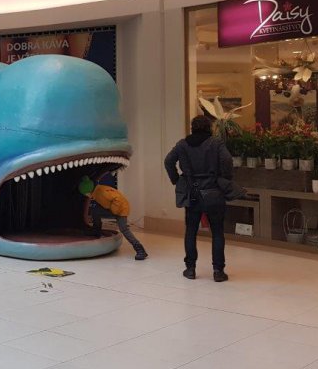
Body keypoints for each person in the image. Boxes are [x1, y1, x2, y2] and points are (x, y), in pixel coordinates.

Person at [164, 115, 234, 282]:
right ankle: (218, 271)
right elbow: (227, 160)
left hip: (192, 192)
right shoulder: (216, 143)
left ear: (192, 128)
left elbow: (168, 161)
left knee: (191, 230)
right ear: (209, 128)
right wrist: (224, 178)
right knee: (217, 232)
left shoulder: (182, 144)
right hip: (214, 191)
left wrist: (176, 179)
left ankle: (190, 269)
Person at [78, 176, 148, 260]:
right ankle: (96, 230)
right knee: (95, 211)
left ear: (88, 190)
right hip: (113, 208)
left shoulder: (102, 192)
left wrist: (115, 211)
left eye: (85, 194)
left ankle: (140, 250)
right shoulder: (97, 191)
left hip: (121, 210)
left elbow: (117, 199)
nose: (86, 195)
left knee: (124, 229)